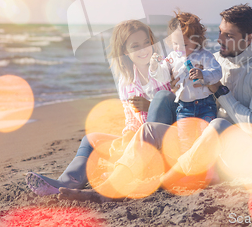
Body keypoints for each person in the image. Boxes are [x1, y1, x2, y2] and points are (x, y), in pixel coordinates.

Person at [58, 4, 252, 202]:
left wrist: (218, 89)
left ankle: (158, 182)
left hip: (245, 154)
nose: (219, 40)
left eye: (229, 36)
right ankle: (116, 184)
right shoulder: (216, 59)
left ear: (248, 39)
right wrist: (176, 89)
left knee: (216, 124)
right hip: (205, 144)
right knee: (150, 129)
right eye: (219, 32)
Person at [25, 20, 171, 196]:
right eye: (135, 45)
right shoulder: (127, 82)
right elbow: (131, 120)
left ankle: (122, 178)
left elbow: (181, 106)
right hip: (139, 143)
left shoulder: (166, 68)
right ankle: (66, 182)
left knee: (162, 98)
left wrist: (150, 105)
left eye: (147, 42)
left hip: (165, 144)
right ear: (125, 51)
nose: (143, 49)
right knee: (90, 139)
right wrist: (127, 140)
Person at [149, 12, 222, 152]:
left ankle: (207, 165)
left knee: (205, 137)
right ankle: (187, 165)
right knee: (185, 140)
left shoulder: (204, 56)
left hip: (205, 105)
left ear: (197, 41)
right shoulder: (172, 57)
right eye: (176, 44)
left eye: (185, 44)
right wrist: (154, 67)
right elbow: (163, 75)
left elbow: (217, 72)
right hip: (184, 108)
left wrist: (203, 74)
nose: (179, 48)